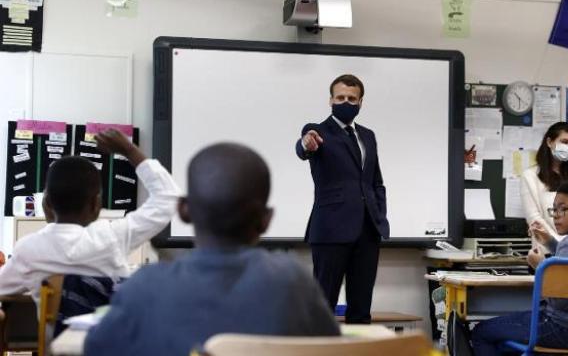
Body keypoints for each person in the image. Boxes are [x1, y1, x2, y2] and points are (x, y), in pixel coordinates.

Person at [85, 143, 339, 356]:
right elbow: (333, 348)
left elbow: (95, 348)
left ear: (184, 210)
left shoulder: (144, 287)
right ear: (266, 219)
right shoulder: (294, 283)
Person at [0, 130, 180, 307]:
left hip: (58, 337)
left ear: (46, 204)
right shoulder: (112, 238)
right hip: (109, 336)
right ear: (96, 205)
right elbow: (169, 198)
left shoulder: (28, 250)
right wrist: (130, 150)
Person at [471, 179, 568, 355]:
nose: (556, 215)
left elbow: (558, 301)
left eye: (563, 209)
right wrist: (549, 242)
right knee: (505, 339)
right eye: (554, 209)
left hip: (565, 330)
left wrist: (542, 267)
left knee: (482, 332)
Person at [295, 74, 389, 324]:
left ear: (360, 103)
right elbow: (303, 148)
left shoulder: (367, 135)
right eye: (340, 98)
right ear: (331, 100)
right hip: (330, 229)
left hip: (368, 230)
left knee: (361, 308)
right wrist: (306, 144)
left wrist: (380, 217)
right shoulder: (317, 131)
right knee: (323, 306)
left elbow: (375, 181)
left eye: (351, 98)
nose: (346, 102)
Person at [521, 122, 568, 259]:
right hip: (546, 251)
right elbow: (534, 218)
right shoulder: (530, 176)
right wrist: (557, 244)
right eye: (564, 142)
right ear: (549, 142)